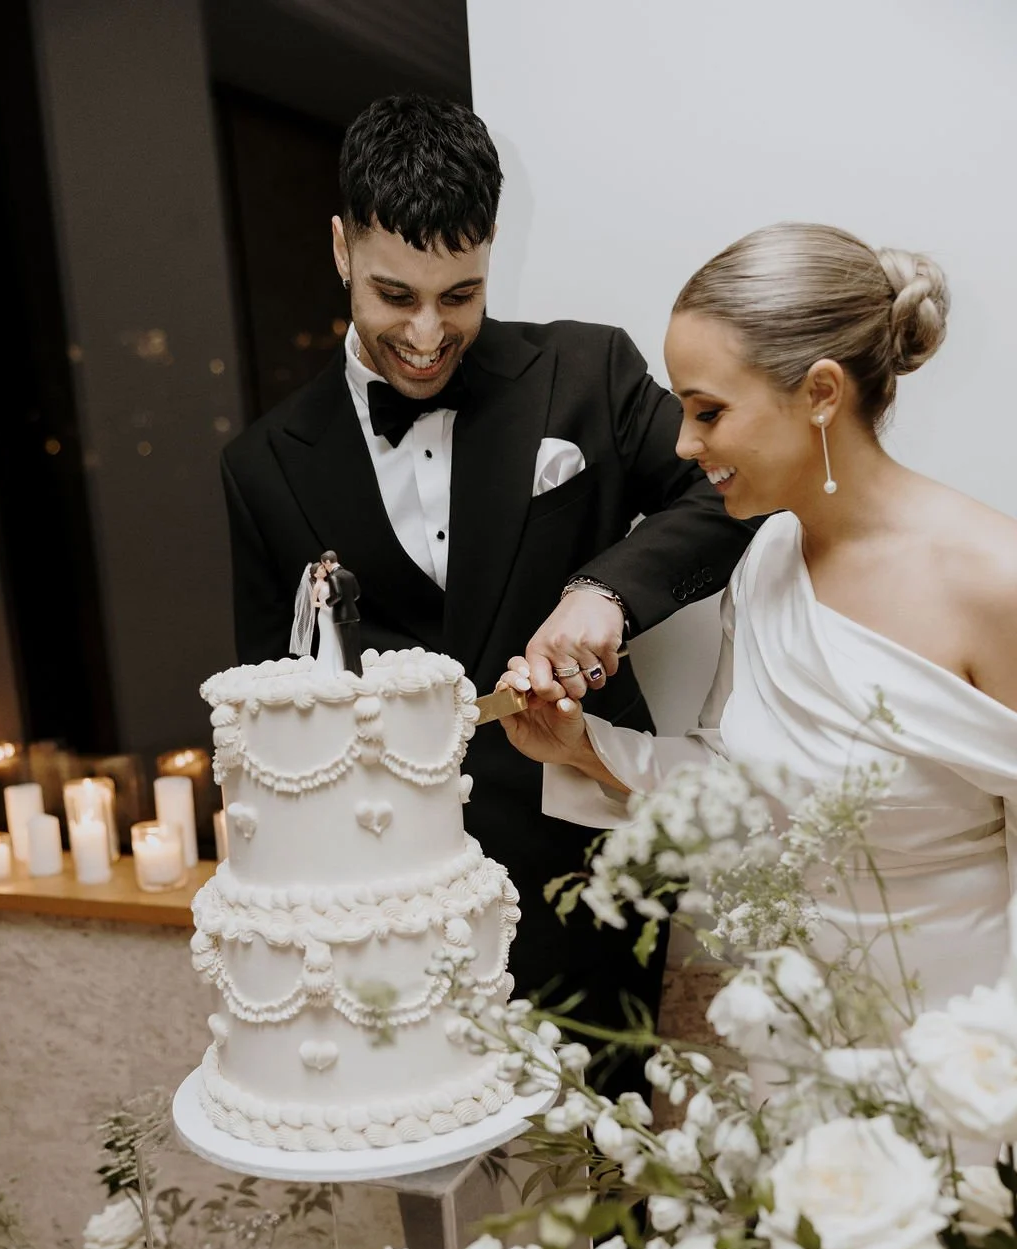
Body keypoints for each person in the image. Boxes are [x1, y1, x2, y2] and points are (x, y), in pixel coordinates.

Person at [221, 93, 761, 1053]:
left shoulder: (586, 371)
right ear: (342, 249)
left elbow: (729, 491)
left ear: (490, 254)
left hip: (586, 860)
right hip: (388, 894)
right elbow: (274, 700)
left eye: (458, 295)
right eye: (397, 296)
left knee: (604, 1170)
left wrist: (606, 591)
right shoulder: (263, 464)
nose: (428, 335)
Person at [499, 222, 1017, 1018]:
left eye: (708, 411)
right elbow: (738, 790)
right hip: (783, 1043)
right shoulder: (770, 555)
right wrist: (583, 746)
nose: (682, 443)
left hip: (960, 1056)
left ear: (819, 393)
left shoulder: (995, 582)